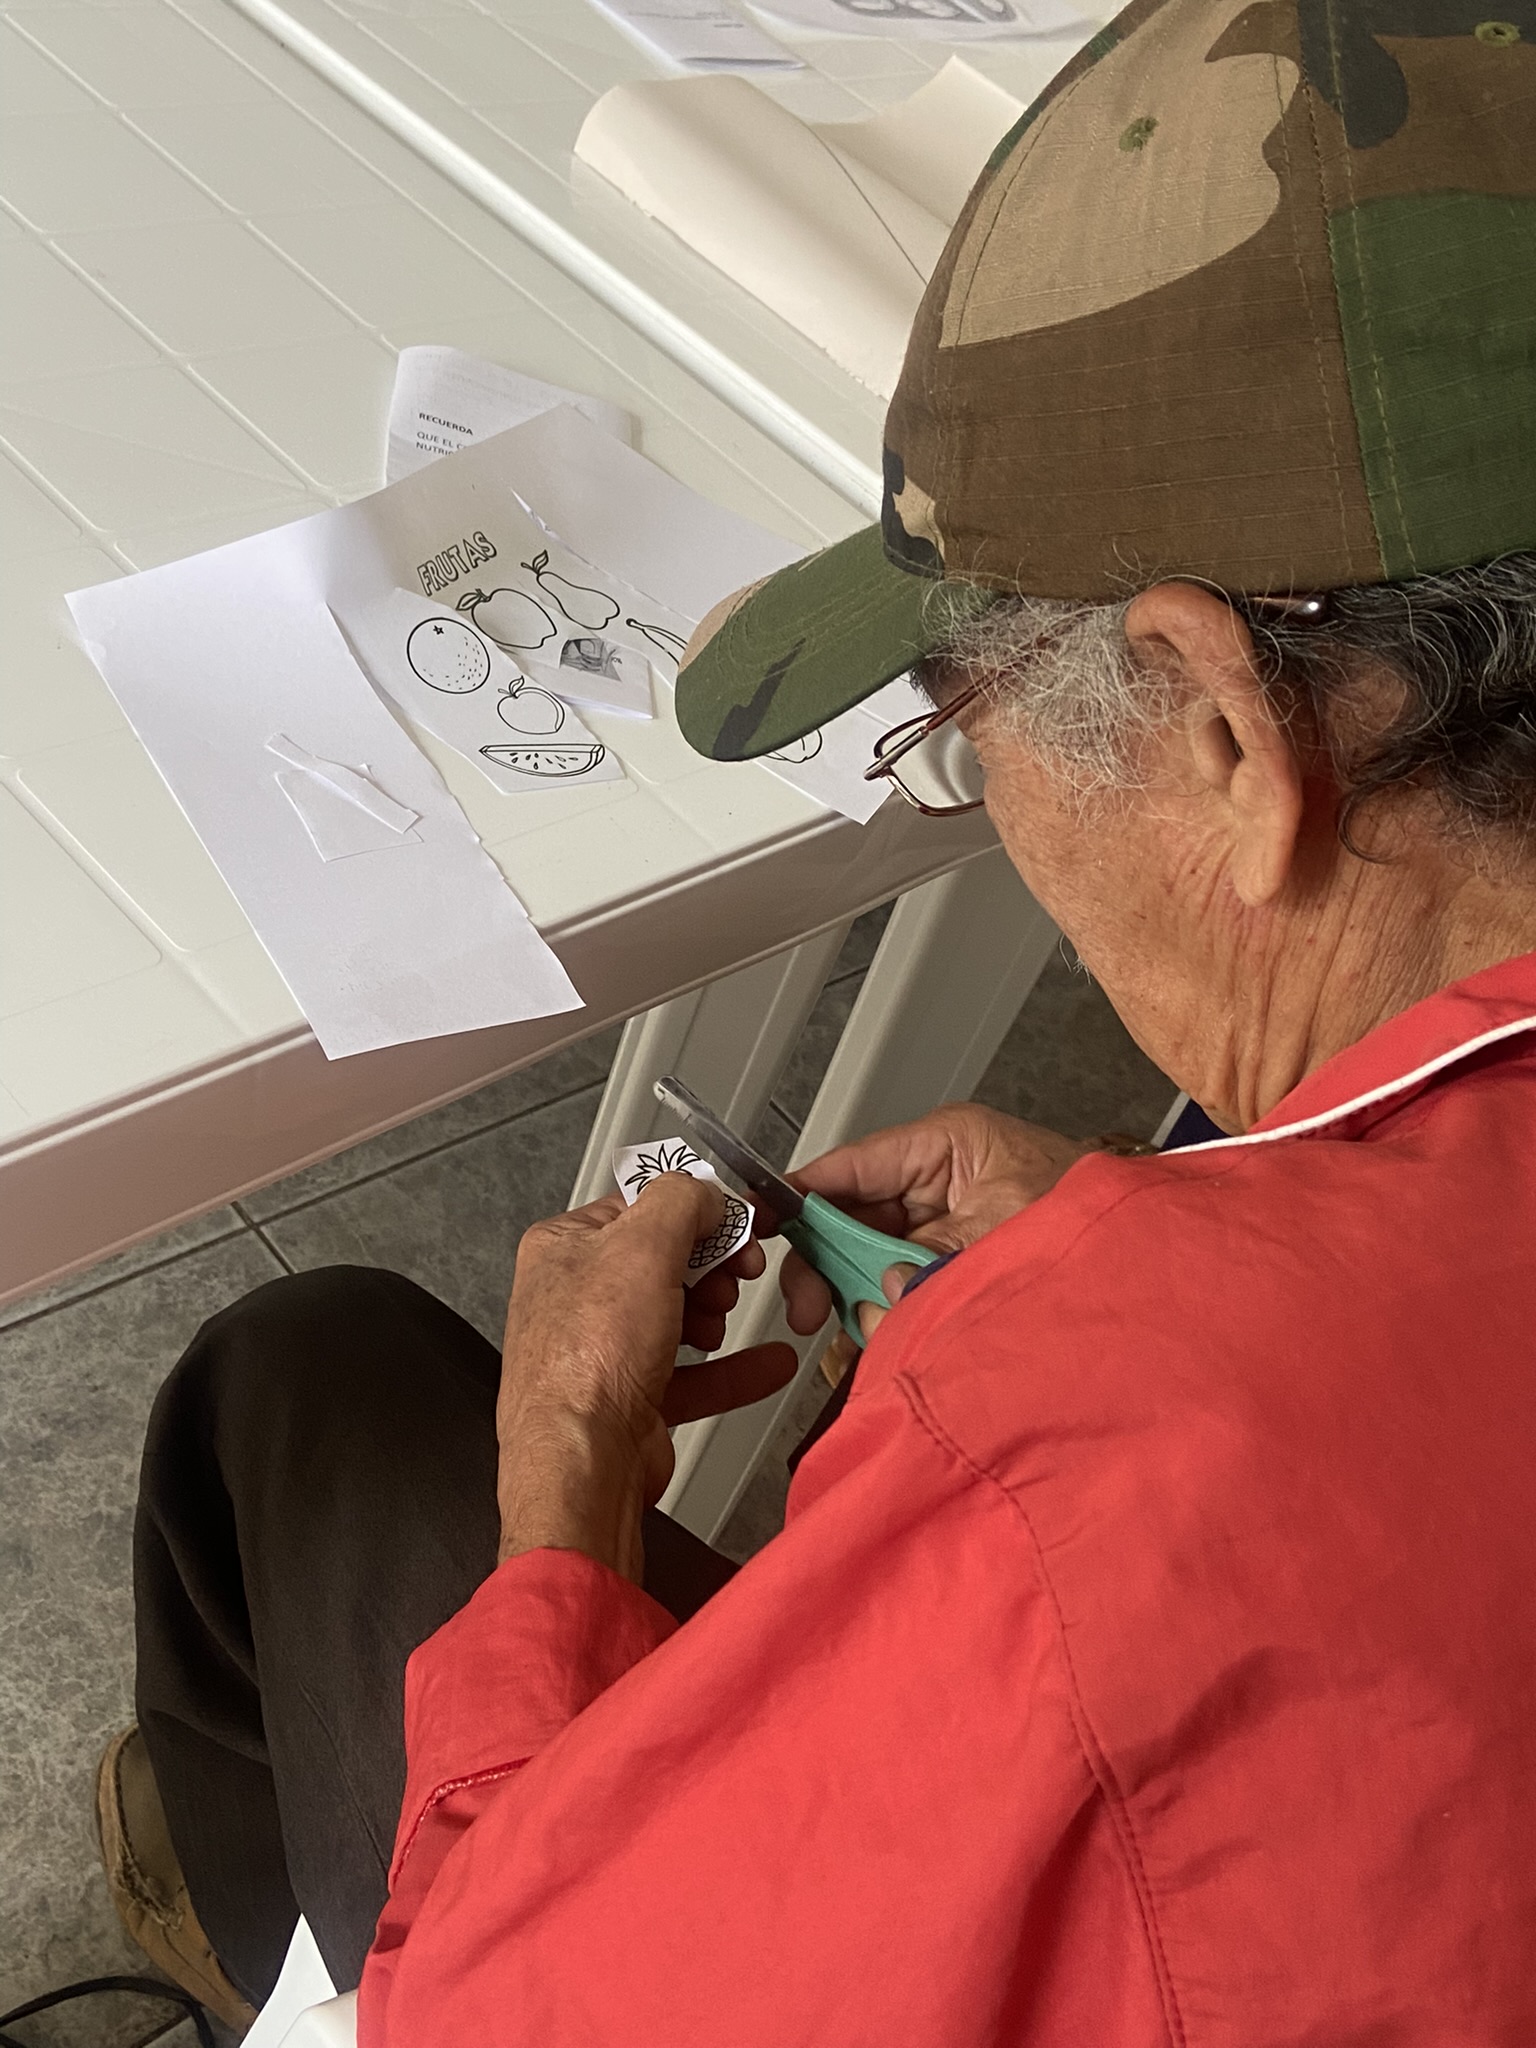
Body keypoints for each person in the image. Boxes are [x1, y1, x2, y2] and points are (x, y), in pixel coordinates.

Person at [97, 0, 1536, 2037]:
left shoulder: (1105, 1460)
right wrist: (1215, 1243)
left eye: (956, 719)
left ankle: (267, 1960)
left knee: (298, 1373)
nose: (974, 782)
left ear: (1223, 727)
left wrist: (561, 1495)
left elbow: (501, 2021)